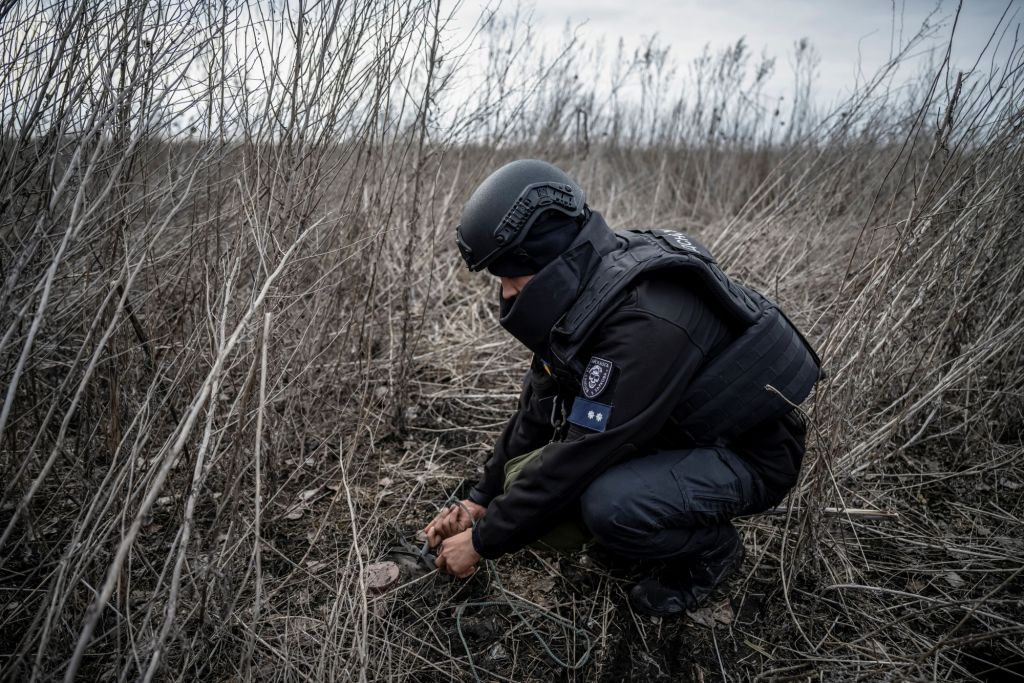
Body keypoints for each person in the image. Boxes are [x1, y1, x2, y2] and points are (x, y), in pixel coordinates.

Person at [423, 159, 820, 617]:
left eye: (511, 275)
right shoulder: (589, 288)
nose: (507, 293)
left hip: (747, 456)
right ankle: (647, 521)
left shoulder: (645, 320)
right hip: (674, 437)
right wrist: (479, 499)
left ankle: (710, 553)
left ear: (549, 263)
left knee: (610, 505)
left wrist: (481, 543)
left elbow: (583, 452)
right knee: (530, 482)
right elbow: (537, 409)